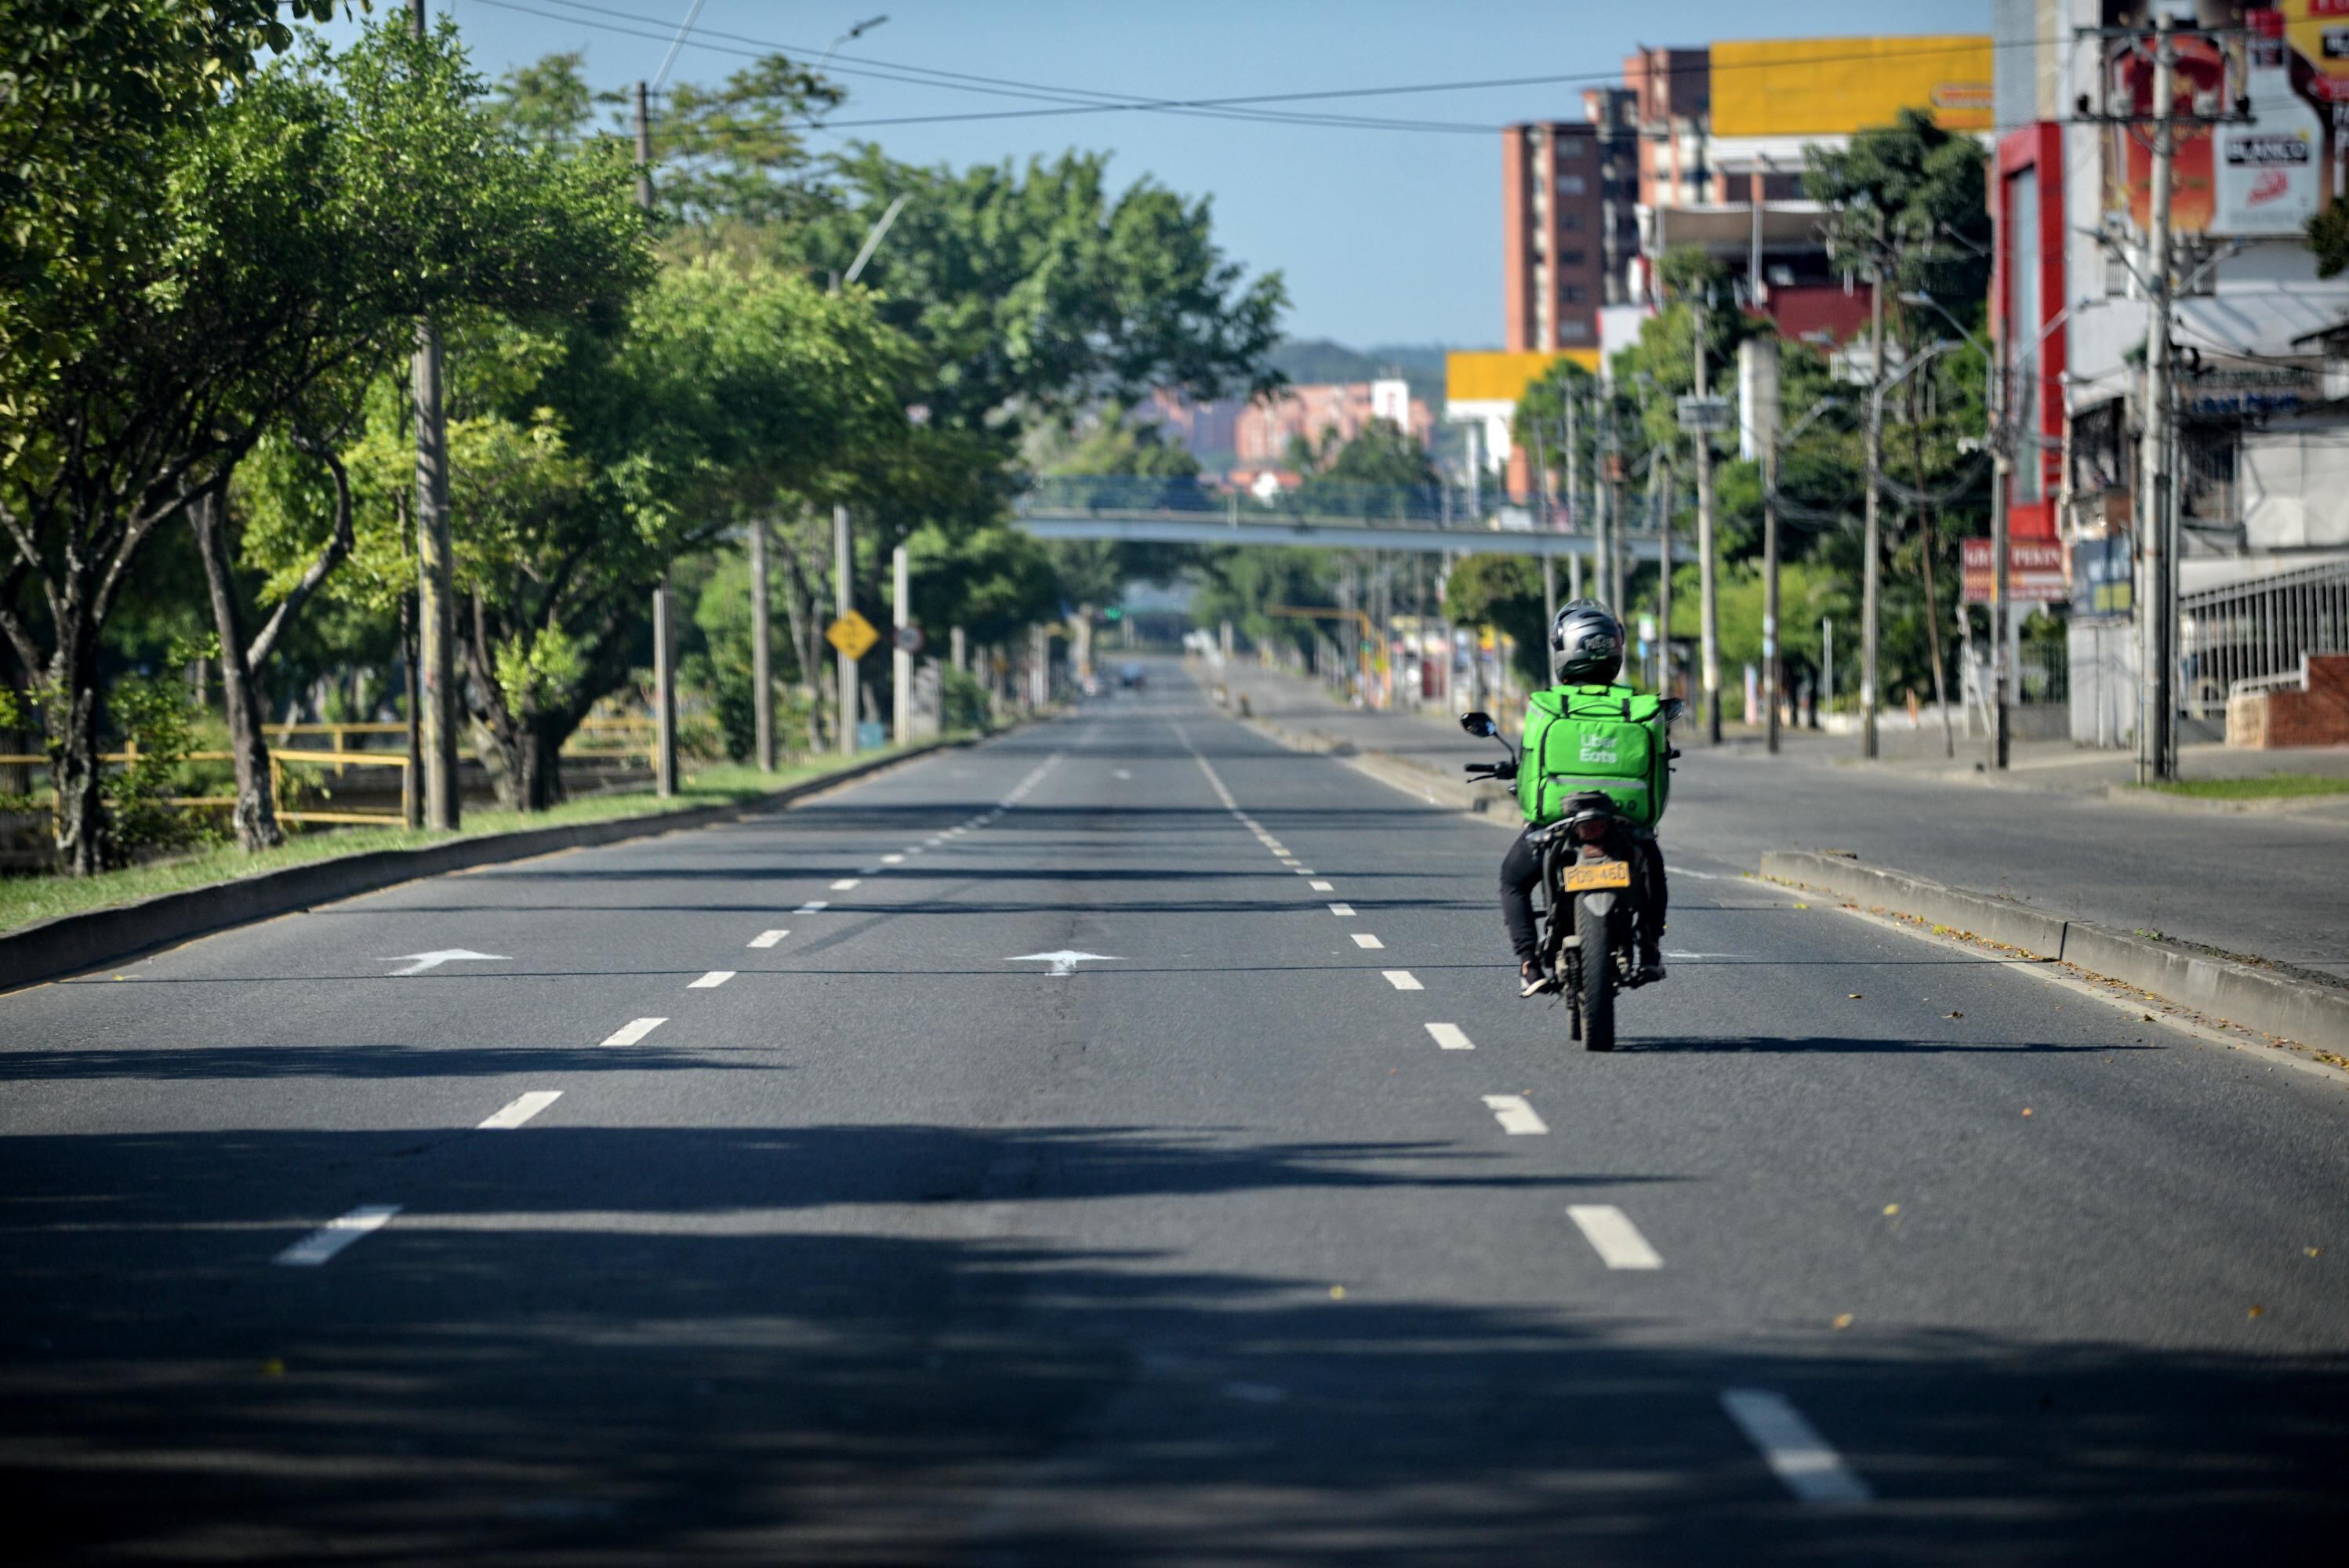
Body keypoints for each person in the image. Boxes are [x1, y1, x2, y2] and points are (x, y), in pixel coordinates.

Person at [1497, 600, 1672, 997]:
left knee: (1512, 880)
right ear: (1614, 649)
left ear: (1564, 649)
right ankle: (1648, 949)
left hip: (1559, 822)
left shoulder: (1545, 706)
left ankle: (1529, 963)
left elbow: (1528, 768)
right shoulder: (1640, 708)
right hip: (1625, 823)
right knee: (1653, 869)